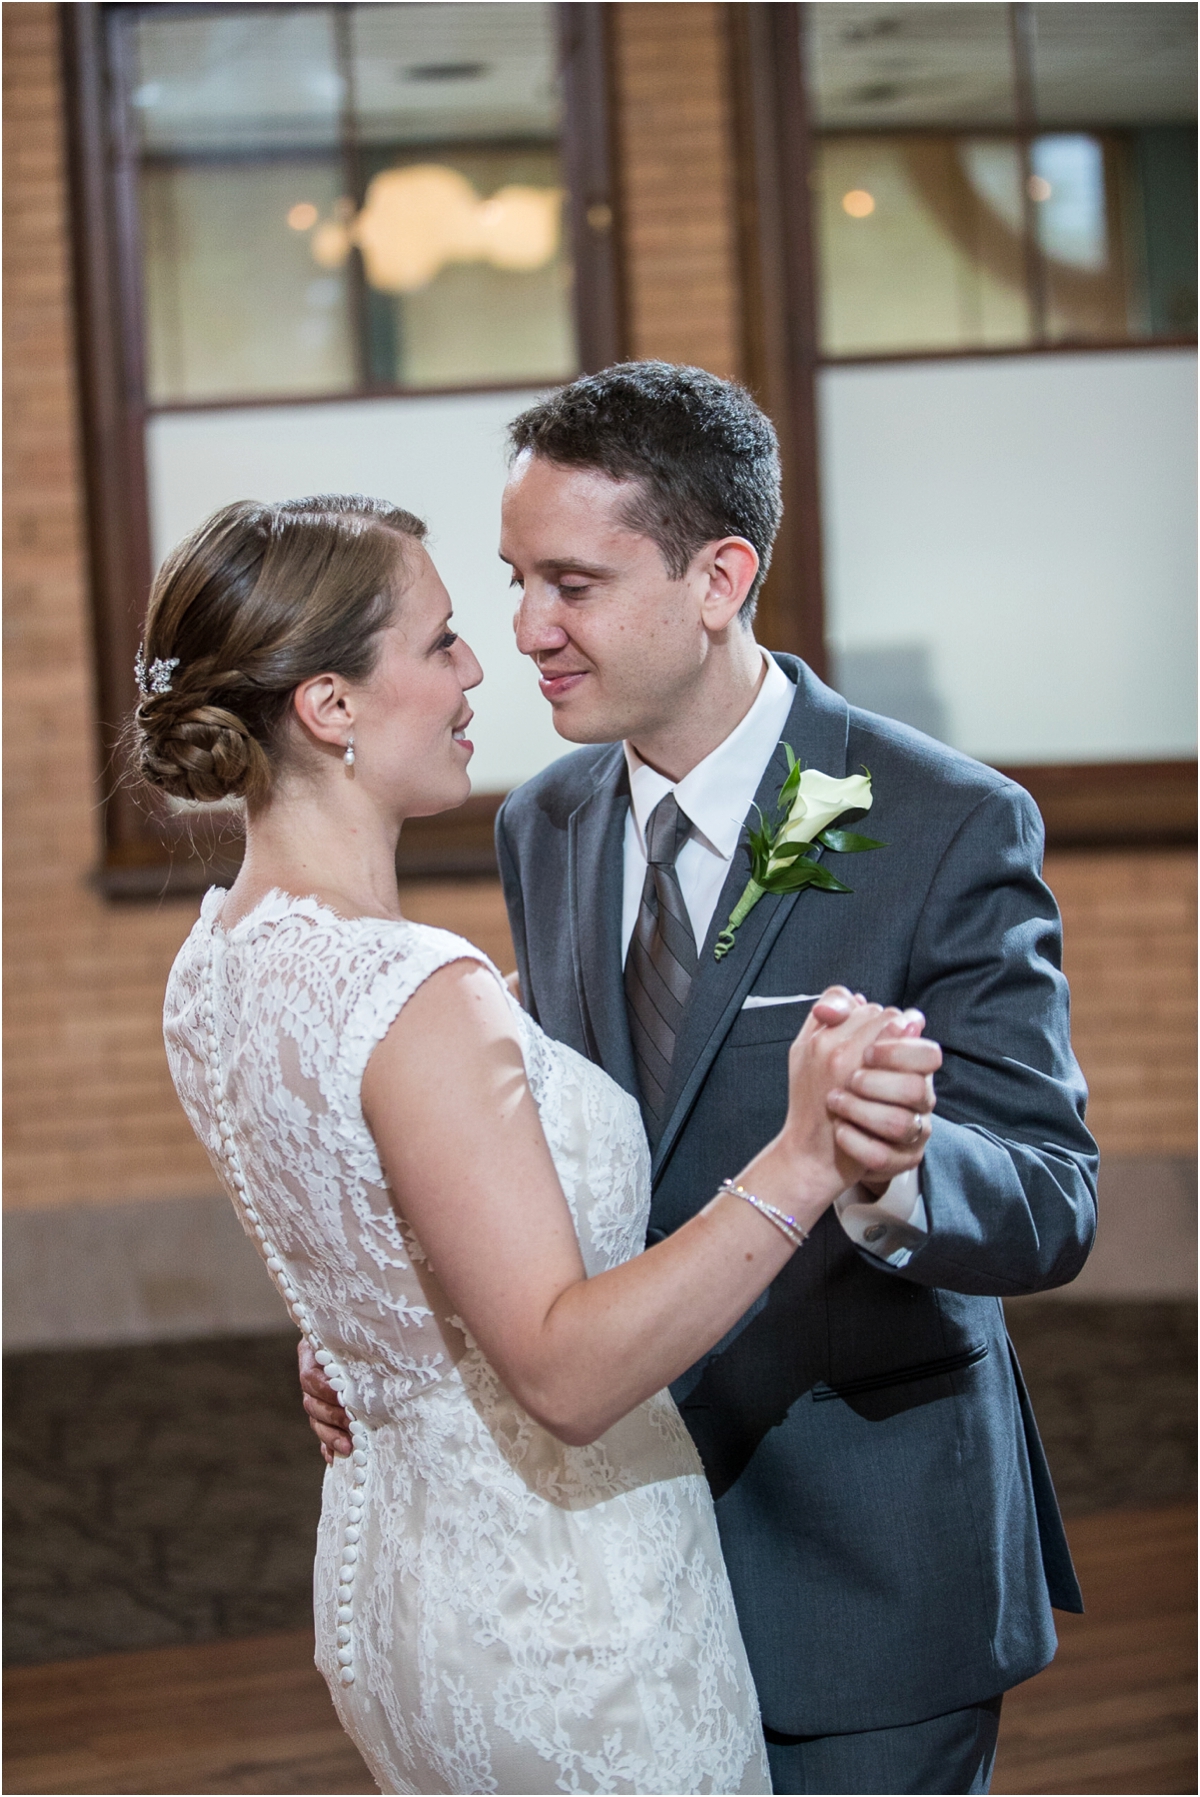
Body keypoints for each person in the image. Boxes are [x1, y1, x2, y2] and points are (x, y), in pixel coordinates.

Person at [302, 364, 1100, 1797]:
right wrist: (410, 1328)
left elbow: (1052, 1198)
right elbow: (556, 1155)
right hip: (621, 1572)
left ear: (719, 574)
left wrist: (892, 1164)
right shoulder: (544, 823)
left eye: (574, 584)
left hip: (871, 1577)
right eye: (515, 580)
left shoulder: (941, 821)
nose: (527, 632)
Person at [145, 492, 940, 1796]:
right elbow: (566, 1376)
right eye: (443, 639)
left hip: (395, 1594)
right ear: (331, 706)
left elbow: (363, 1198)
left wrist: (379, 1330)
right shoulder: (418, 996)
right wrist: (803, 1154)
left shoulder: (216, 961)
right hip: (580, 1626)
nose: (483, 664)